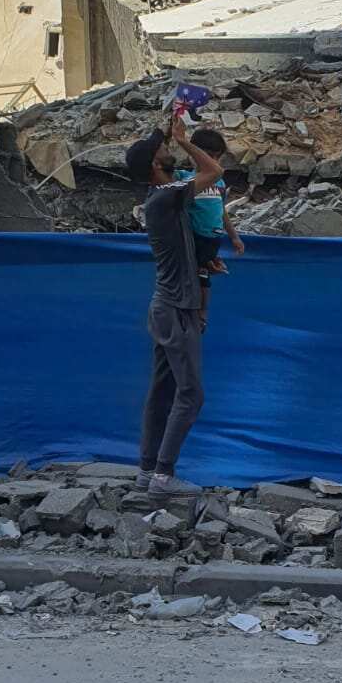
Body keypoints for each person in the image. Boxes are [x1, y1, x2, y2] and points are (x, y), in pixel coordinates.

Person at [124, 116, 223, 497]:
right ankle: (163, 476)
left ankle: (147, 471)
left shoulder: (161, 199)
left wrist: (203, 260)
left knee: (162, 392)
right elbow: (213, 171)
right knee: (191, 394)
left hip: (167, 307)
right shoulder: (166, 195)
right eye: (163, 149)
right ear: (155, 163)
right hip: (177, 309)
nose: (168, 151)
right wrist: (184, 140)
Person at [176, 127, 245, 327]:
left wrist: (234, 236)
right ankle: (194, 311)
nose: (213, 161)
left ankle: (202, 311)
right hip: (194, 237)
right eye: (208, 156)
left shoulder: (219, 183)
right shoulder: (184, 178)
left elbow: (221, 210)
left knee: (204, 275)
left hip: (213, 237)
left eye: (217, 157)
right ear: (194, 154)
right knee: (198, 274)